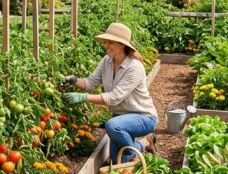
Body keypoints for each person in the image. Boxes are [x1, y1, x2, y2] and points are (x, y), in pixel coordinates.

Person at [62, 22, 157, 164]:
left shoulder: (134, 67)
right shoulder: (106, 61)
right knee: (117, 161)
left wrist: (83, 97)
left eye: (110, 42)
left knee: (112, 126)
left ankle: (133, 151)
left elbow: (114, 98)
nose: (106, 45)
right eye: (105, 42)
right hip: (120, 118)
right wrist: (74, 80)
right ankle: (146, 142)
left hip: (143, 117)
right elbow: (91, 82)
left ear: (122, 44)